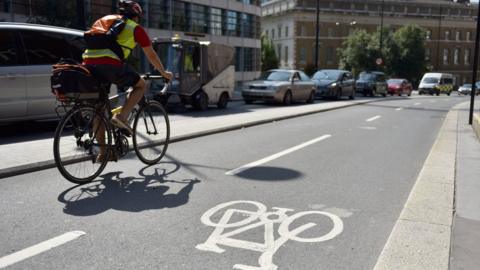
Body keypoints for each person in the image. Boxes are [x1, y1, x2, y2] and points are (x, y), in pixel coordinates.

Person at [82, 0, 172, 162]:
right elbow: (150, 54)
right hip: (110, 64)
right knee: (140, 85)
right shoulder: (135, 28)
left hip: (88, 63)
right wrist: (163, 72)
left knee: (99, 109)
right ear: (136, 16)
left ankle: (104, 153)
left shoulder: (103, 20)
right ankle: (122, 117)